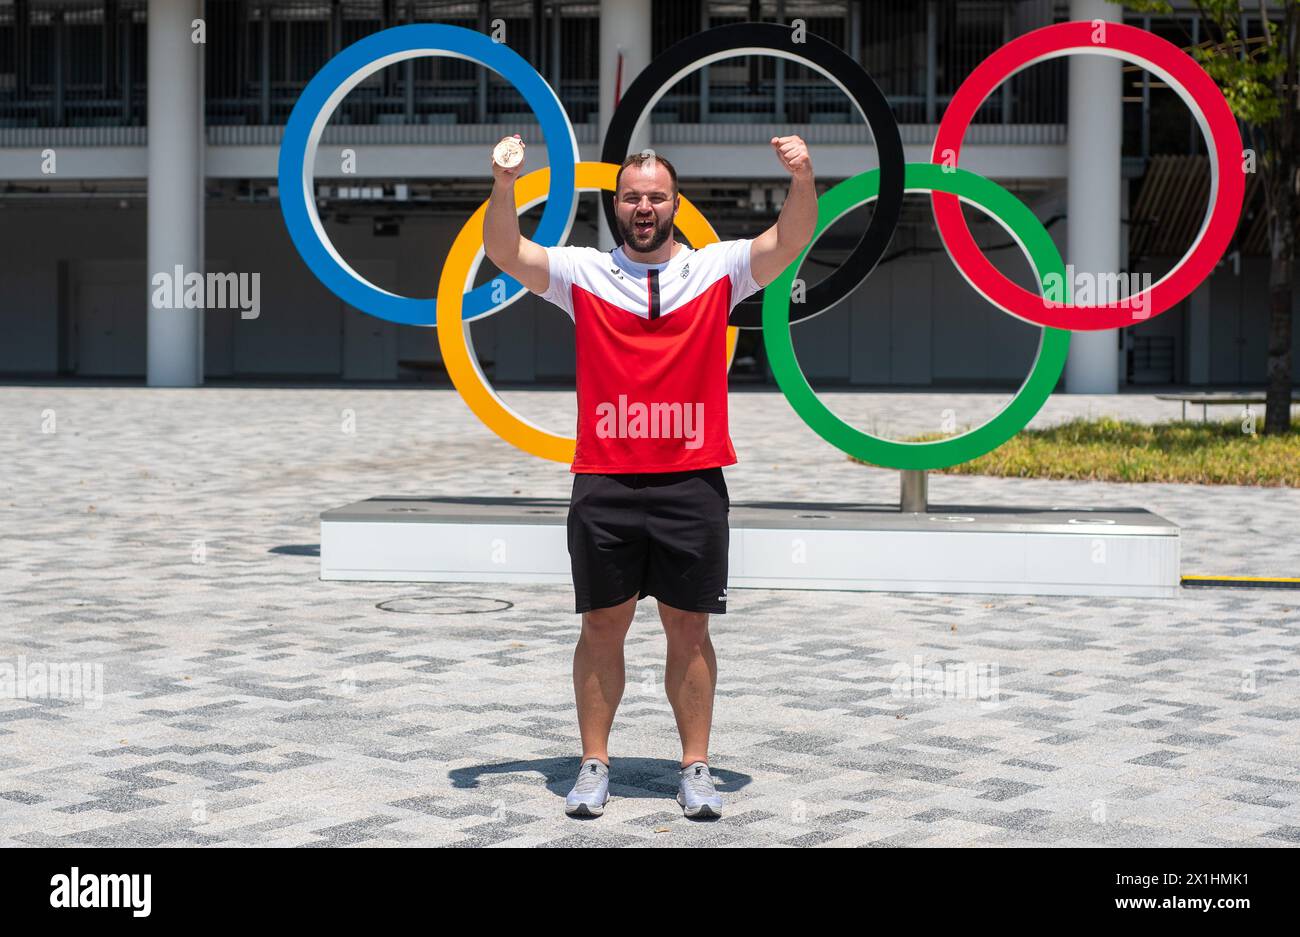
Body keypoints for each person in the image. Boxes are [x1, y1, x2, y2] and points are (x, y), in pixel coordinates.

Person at [483, 133, 815, 818]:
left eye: (656, 196)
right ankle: (593, 763)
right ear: (616, 205)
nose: (643, 206)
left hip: (690, 480)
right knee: (603, 624)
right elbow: (504, 251)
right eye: (632, 196)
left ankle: (696, 767)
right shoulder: (582, 273)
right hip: (605, 478)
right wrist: (503, 181)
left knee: (688, 625)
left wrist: (804, 175)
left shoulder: (716, 269)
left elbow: (790, 239)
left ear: (675, 203)